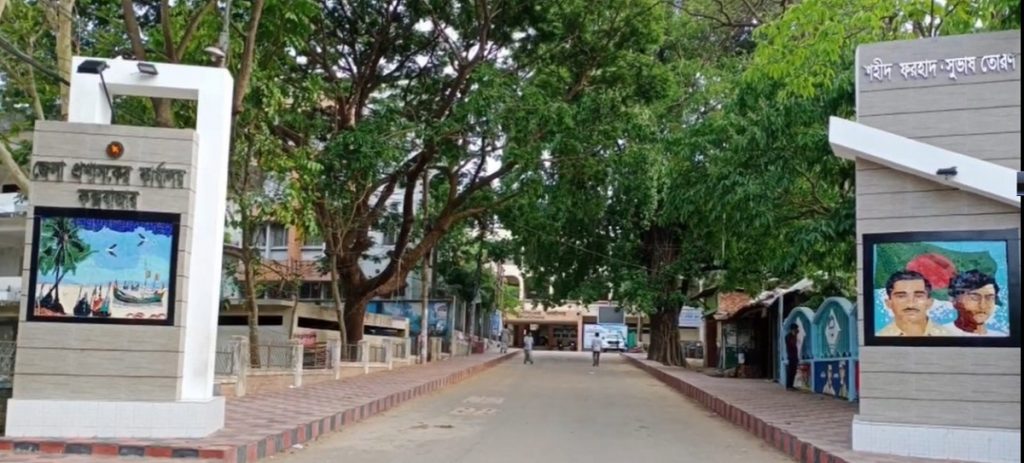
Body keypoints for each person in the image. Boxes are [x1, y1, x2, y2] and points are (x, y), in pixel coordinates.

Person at [878, 270, 950, 336]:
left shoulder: (948, 336)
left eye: (918, 296)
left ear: (929, 302)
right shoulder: (880, 338)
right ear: (888, 303)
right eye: (901, 296)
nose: (911, 304)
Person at [945, 270, 1006, 337]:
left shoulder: (1001, 336)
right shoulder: (942, 333)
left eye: (989, 298)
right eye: (974, 298)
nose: (983, 306)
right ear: (954, 300)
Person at [784, 324, 800, 390]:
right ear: (793, 329)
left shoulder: (793, 336)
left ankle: (791, 385)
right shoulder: (788, 336)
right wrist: (794, 335)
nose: (797, 331)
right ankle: (788, 386)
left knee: (793, 371)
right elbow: (791, 344)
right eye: (796, 329)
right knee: (790, 371)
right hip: (791, 356)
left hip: (794, 355)